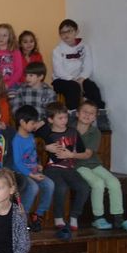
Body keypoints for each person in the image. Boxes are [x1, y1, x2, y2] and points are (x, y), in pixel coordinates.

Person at [75, 101, 127, 231]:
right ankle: (98, 218)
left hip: (94, 164)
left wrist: (70, 154)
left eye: (91, 113)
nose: (87, 115)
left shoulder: (95, 132)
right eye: (85, 112)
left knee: (114, 182)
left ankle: (119, 218)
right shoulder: (69, 130)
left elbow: (88, 154)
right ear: (77, 113)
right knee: (98, 183)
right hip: (78, 165)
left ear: (95, 117)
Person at [37, 102, 92, 240]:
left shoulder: (73, 132)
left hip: (69, 168)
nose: (64, 121)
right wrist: (45, 147)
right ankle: (58, 217)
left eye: (65, 117)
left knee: (84, 187)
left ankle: (74, 216)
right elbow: (32, 137)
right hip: (52, 168)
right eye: (60, 118)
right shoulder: (46, 132)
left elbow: (82, 151)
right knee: (61, 187)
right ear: (50, 120)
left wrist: (71, 154)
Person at [12, 105, 54, 232]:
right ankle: (21, 217)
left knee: (50, 184)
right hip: (20, 172)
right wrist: (31, 175)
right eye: (32, 123)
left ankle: (38, 215)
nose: (35, 126)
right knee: (33, 187)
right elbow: (18, 162)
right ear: (22, 123)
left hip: (33, 171)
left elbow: (33, 155)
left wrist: (38, 164)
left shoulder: (31, 137)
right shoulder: (17, 140)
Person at [51, 18, 106, 111]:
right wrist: (74, 80)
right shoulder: (57, 50)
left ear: (76, 31)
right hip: (61, 80)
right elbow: (58, 71)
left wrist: (82, 78)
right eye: (62, 32)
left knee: (92, 87)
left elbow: (88, 65)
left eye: (69, 31)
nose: (66, 34)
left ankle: (100, 113)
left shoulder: (84, 46)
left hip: (80, 78)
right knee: (73, 87)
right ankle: (72, 113)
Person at [0, 23, 24, 87]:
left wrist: (8, 84)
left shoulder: (15, 52)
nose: (1, 38)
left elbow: (19, 71)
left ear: (10, 37)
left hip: (13, 84)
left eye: (5, 35)